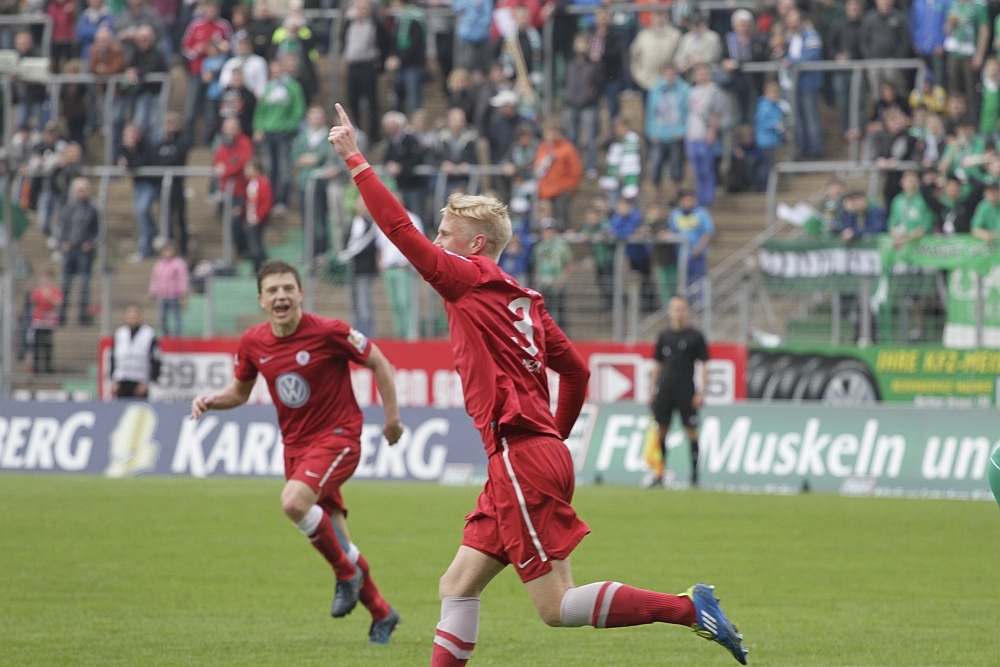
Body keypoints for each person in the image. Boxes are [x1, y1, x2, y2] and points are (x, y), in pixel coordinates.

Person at [327, 103, 747, 667]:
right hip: (533, 452)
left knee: (555, 606)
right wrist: (553, 436)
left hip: (521, 456)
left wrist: (356, 160)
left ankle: (688, 608)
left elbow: (401, 233)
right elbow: (576, 372)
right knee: (457, 584)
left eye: (446, 234)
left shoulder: (466, 280)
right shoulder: (525, 302)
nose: (436, 241)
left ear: (475, 246)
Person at [190, 260, 403, 644]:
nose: (281, 296)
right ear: (261, 300)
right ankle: (382, 613)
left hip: (338, 438)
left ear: (301, 293)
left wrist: (392, 420)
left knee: (293, 503)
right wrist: (211, 401)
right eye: (272, 290)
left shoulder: (329, 332)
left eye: (288, 288)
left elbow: (379, 361)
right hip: (296, 449)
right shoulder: (253, 342)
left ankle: (346, 574)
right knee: (340, 542)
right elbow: (239, 392)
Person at [649, 295, 709, 488]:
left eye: (682, 308)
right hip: (666, 389)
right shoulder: (664, 336)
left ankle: (694, 477)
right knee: (661, 431)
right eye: (675, 308)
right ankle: (660, 475)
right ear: (669, 311)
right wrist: (652, 389)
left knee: (691, 432)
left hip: (686, 390)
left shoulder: (696, 337)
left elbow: (705, 365)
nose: (678, 312)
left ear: (687, 311)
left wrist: (702, 391)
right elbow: (657, 364)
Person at [254, 58, 307, 213]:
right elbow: (260, 110)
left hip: (284, 133)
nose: (276, 72)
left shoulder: (293, 87)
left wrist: (288, 126)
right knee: (270, 167)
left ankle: (283, 200)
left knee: (284, 167)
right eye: (273, 69)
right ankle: (269, 200)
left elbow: (299, 109)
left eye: (278, 69)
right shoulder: (267, 87)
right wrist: (258, 128)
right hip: (268, 132)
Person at [376, 193, 424, 339]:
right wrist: (380, 262)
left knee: (406, 303)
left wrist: (409, 262)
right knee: (394, 304)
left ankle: (411, 335)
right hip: (388, 268)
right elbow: (380, 245)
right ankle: (400, 335)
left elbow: (420, 243)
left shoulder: (413, 219)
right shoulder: (382, 219)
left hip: (404, 268)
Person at [58, 177, 101, 326]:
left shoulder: (94, 208)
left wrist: (91, 243)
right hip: (69, 250)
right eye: (79, 190)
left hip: (84, 252)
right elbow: (63, 227)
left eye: (84, 189)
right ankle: (61, 317)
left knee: (84, 285)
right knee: (64, 285)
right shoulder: (69, 208)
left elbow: (100, 231)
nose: (81, 192)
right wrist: (63, 242)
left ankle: (82, 318)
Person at [646, 61, 689, 205]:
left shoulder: (684, 89)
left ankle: (674, 196)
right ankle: (657, 196)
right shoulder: (655, 89)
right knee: (655, 167)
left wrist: (682, 131)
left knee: (676, 167)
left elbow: (687, 112)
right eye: (667, 71)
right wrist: (651, 132)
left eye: (672, 71)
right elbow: (650, 112)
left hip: (675, 135)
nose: (670, 74)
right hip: (658, 134)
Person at [685, 63, 725, 207]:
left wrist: (712, 132)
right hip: (692, 134)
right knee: (697, 171)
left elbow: (716, 113)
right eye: (699, 73)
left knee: (707, 169)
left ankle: (708, 199)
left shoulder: (714, 91)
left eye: (704, 73)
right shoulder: (692, 91)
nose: (702, 76)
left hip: (705, 135)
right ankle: (699, 198)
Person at [669, 190, 715, 303]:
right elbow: (672, 230)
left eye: (690, 200)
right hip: (681, 254)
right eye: (685, 200)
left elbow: (708, 232)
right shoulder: (676, 214)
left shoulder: (701, 213)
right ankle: (687, 303)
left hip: (697, 254)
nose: (688, 203)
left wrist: (699, 248)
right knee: (684, 281)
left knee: (699, 279)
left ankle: (702, 303)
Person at [110, 304, 161, 399]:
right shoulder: (120, 333)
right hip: (121, 381)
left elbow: (156, 359)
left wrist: (149, 382)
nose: (133, 319)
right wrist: (113, 379)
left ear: (140, 317)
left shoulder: (148, 334)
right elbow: (113, 357)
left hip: (140, 382)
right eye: (130, 316)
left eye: (135, 316)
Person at [148, 241, 188, 337]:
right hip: (163, 295)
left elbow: (182, 278)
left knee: (176, 316)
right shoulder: (159, 264)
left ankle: (177, 335)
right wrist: (153, 291)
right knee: (162, 317)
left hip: (174, 295)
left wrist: (182, 291)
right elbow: (155, 279)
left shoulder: (178, 263)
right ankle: (166, 334)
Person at [30, 269, 63, 374]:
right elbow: (33, 301)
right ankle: (36, 368)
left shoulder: (55, 291)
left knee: (48, 345)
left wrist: (48, 295)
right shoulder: (37, 291)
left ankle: (48, 368)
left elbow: (58, 303)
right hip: (38, 322)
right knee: (36, 345)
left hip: (49, 323)